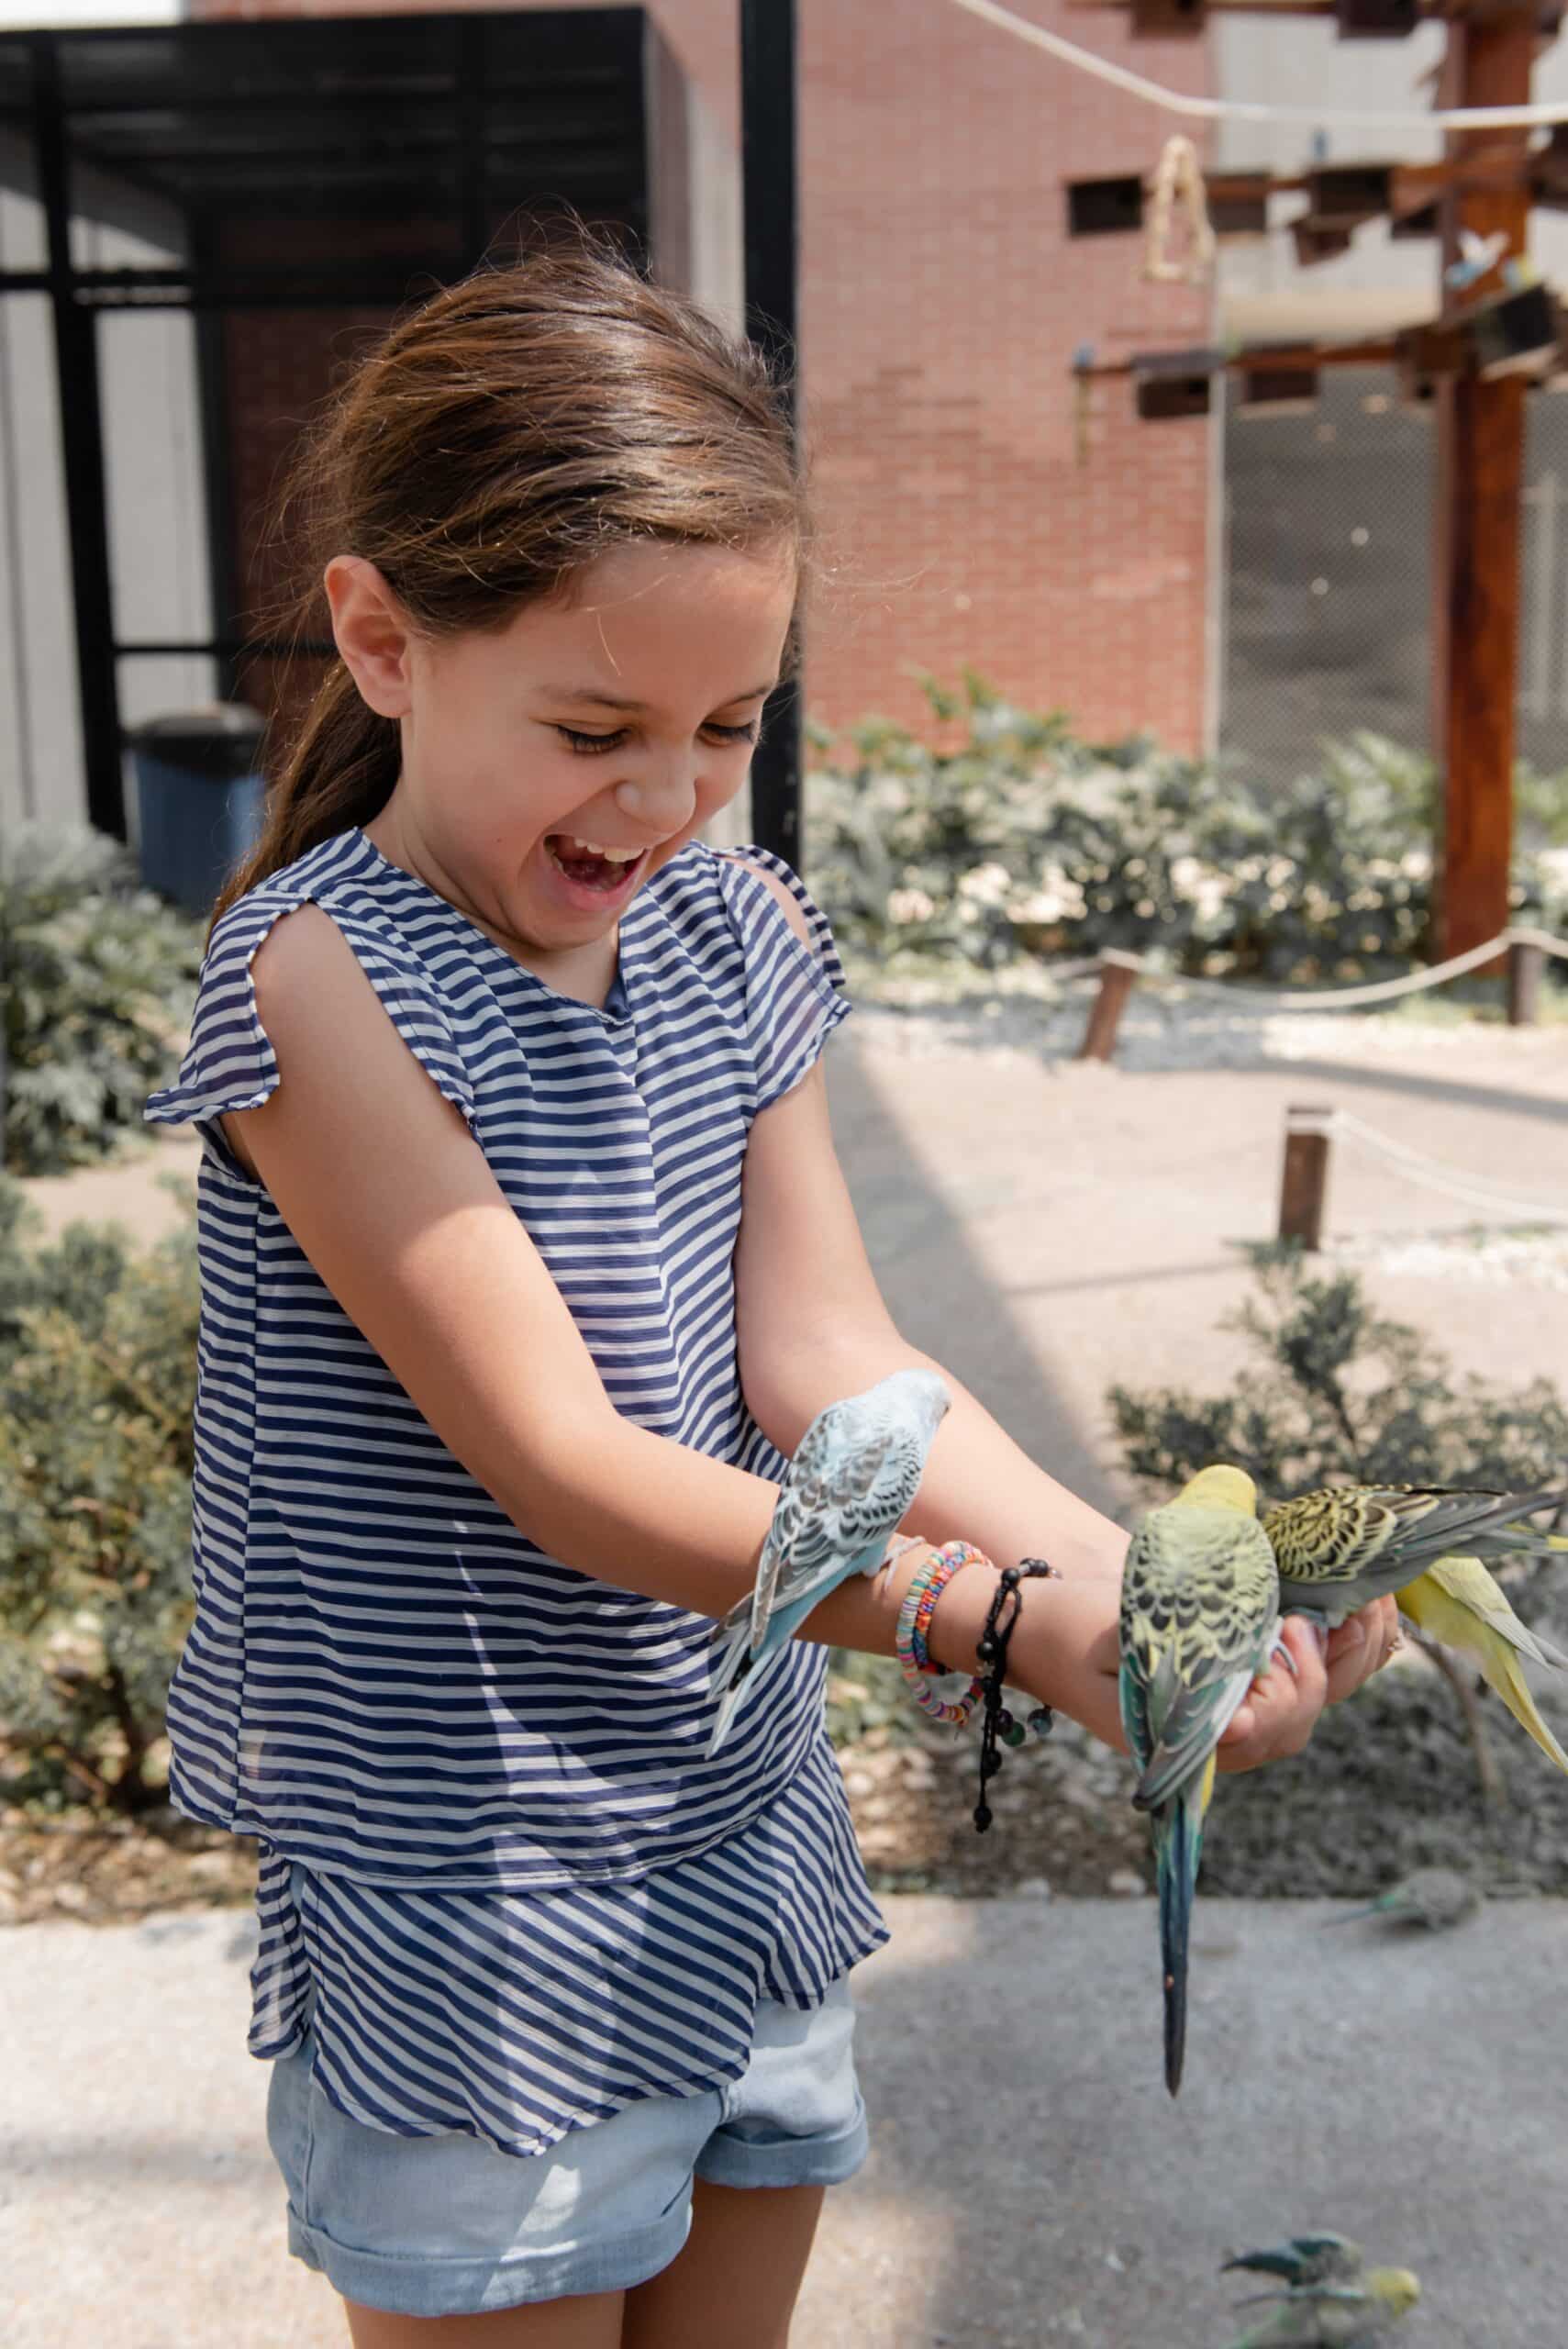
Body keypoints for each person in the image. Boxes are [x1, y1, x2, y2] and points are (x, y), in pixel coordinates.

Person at [145, 240, 1396, 2349]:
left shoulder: (730, 933)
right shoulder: (316, 972)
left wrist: (1145, 1593)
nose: (665, 795)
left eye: (729, 722)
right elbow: (565, 1465)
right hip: (473, 1876)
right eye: (595, 723)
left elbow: (835, 1359)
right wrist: (1005, 1625)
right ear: (381, 635)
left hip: (729, 1821)